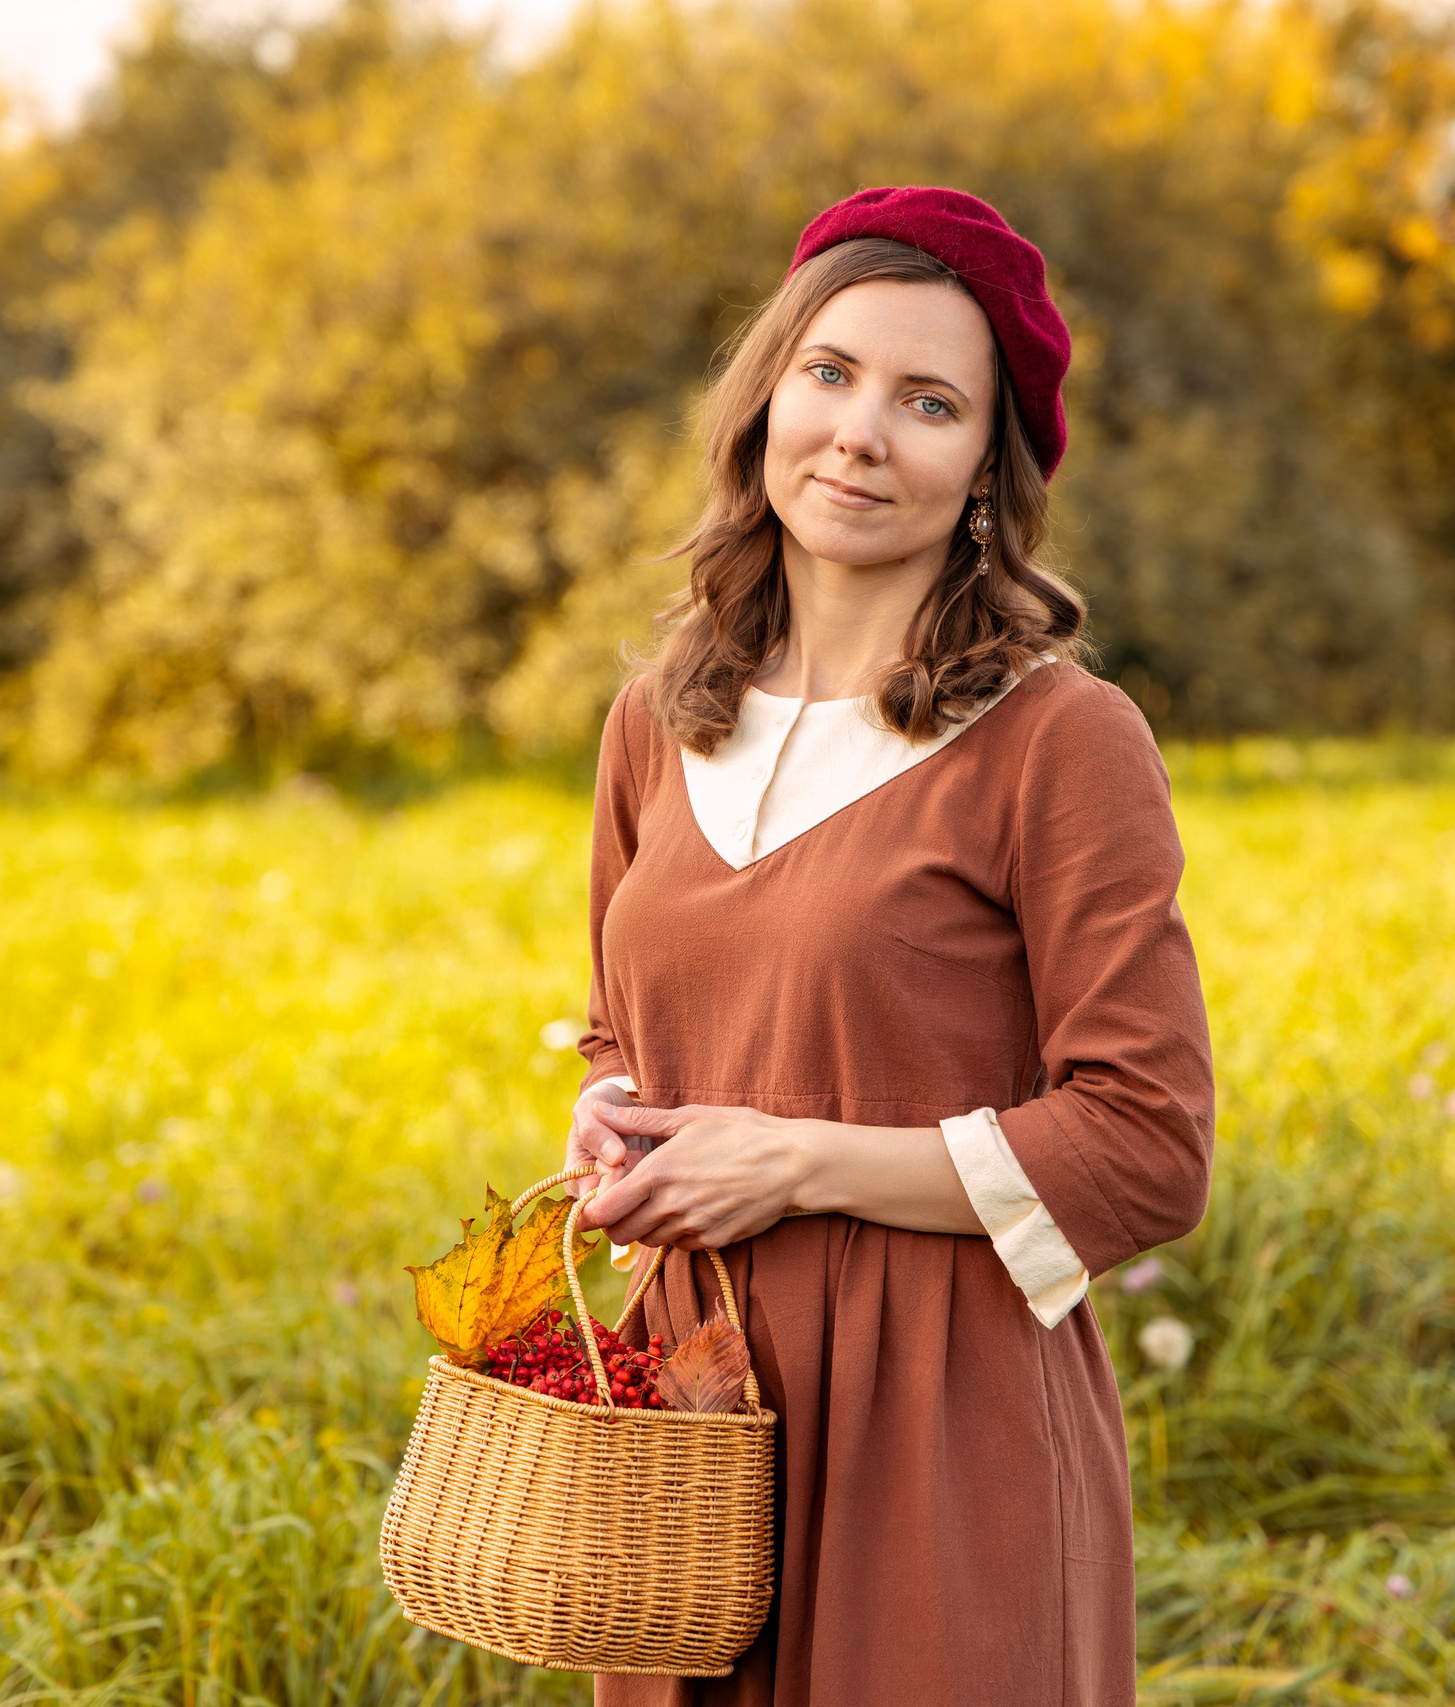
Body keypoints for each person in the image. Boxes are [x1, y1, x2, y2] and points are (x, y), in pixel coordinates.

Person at [563, 187, 1217, 1706]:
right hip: (689, 1426)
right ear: (766, 399)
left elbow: (1148, 1145)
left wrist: (795, 1162)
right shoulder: (656, 723)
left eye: (929, 403)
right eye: (831, 373)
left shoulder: (1060, 741)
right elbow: (622, 1031)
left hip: (939, 1416)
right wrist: (609, 1115)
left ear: (989, 467)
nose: (861, 433)